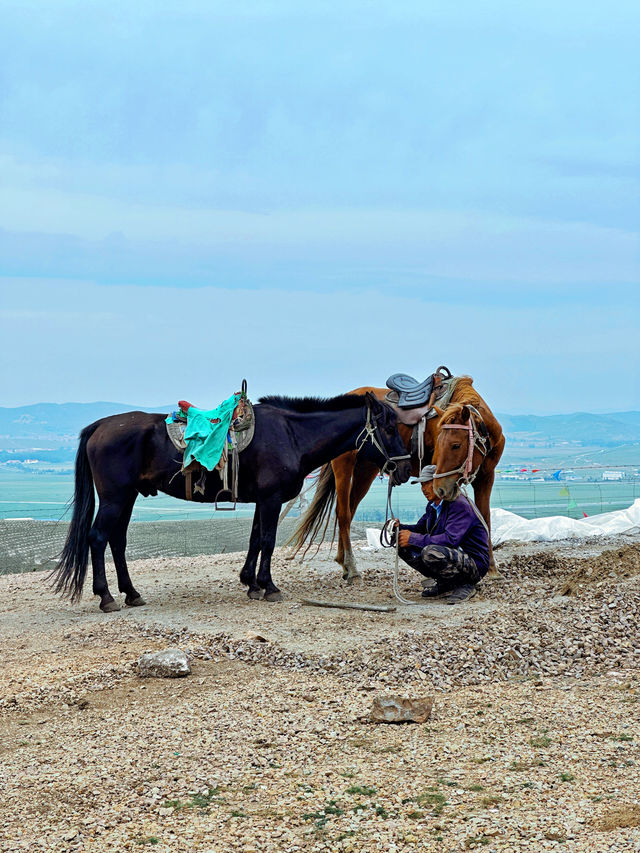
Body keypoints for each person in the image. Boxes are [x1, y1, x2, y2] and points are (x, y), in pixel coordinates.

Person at [395, 464, 489, 603]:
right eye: (422, 485)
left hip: (475, 564)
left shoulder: (459, 505)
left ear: (440, 483)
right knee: (401, 543)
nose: (423, 489)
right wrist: (399, 528)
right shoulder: (434, 505)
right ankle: (446, 583)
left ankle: (465, 584)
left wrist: (413, 538)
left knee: (430, 552)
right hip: (455, 557)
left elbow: (451, 540)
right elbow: (422, 528)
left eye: (427, 484)